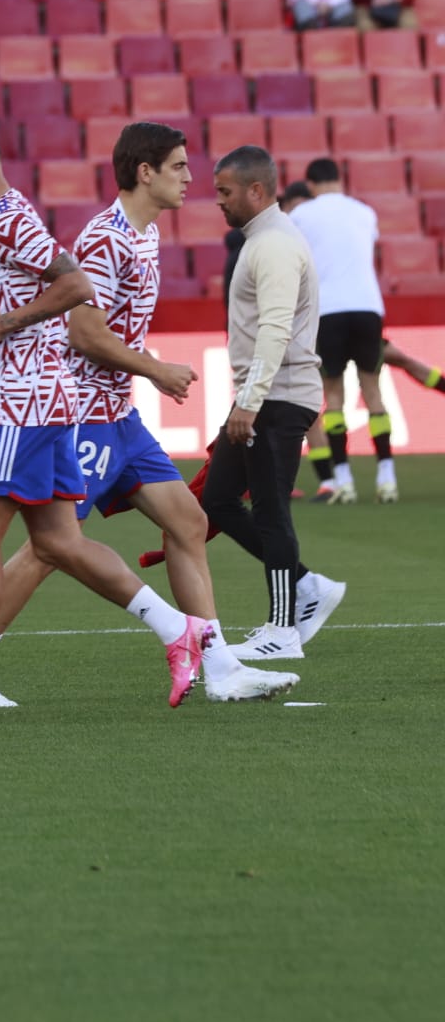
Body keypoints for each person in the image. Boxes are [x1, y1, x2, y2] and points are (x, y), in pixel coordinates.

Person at [0, 123, 298, 708]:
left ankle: (219, 667)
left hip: (120, 417)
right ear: (145, 173)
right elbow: (83, 331)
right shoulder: (106, 240)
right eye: (178, 168)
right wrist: (155, 369)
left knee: (189, 524)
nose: (191, 179)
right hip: (84, 416)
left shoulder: (144, 236)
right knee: (50, 548)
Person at [0, 124, 213, 721]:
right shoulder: (4, 221)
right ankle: (180, 631)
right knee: (58, 541)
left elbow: (75, 286)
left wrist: (2, 325)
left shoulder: (9, 219)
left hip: (22, 406)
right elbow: (33, 302)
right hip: (50, 402)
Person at [206, 145, 346, 659]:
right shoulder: (263, 240)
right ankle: (309, 586)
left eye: (225, 191)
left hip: (277, 396)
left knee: (269, 512)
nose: (217, 201)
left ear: (257, 190)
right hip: (266, 394)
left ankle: (283, 631)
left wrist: (249, 401)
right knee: (218, 499)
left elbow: (276, 327)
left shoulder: (276, 245)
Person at [288, 157, 394, 504]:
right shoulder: (364, 212)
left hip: (329, 310)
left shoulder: (302, 215)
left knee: (334, 397)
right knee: (373, 391)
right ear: (339, 179)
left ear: (312, 184)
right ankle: (386, 476)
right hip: (367, 306)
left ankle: (344, 479)